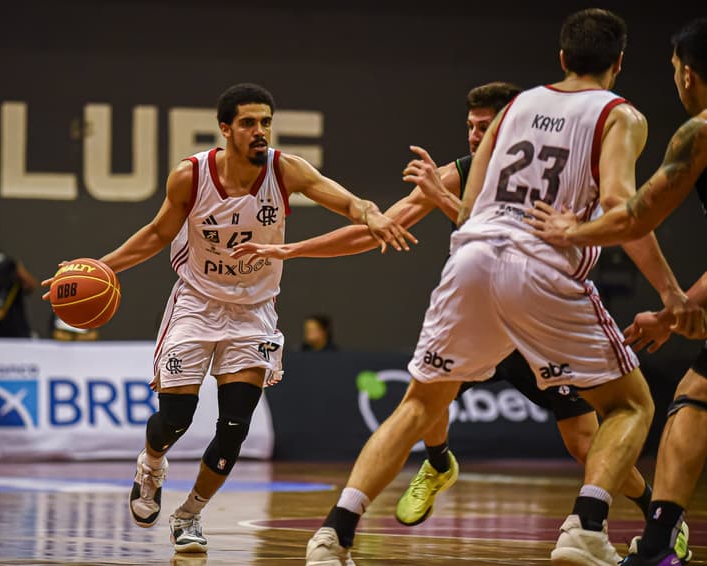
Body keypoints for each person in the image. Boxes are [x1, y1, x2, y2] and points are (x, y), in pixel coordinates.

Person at [295, 8, 702, 564]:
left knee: (418, 405)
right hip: (542, 263)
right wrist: (671, 293)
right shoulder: (619, 114)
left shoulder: (515, 106)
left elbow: (473, 208)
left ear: (561, 58)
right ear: (620, 63)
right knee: (631, 404)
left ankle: (334, 534)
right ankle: (585, 527)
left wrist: (444, 203)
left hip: (473, 257)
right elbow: (619, 206)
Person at [232, 80, 665, 538]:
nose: (476, 136)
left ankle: (653, 508)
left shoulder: (551, 168)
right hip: (483, 311)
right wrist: (291, 250)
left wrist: (446, 201)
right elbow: (381, 228)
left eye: (485, 126)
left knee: (583, 443)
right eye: (470, 127)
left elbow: (533, 238)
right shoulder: (461, 168)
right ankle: (438, 464)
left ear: (514, 122)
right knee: (427, 396)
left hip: (537, 320)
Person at [41, 83, 414, 554]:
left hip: (253, 311)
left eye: (265, 123)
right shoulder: (190, 176)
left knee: (234, 426)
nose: (260, 132)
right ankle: (150, 467)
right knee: (175, 418)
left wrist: (370, 213)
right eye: (248, 123)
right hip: (196, 304)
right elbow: (157, 234)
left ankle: (190, 514)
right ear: (225, 129)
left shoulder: (286, 170)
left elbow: (345, 201)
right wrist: (98, 266)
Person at [528, 17, 707, 566]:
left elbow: (632, 212)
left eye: (675, 70)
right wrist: (676, 306)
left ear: (689, 74)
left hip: (502, 274)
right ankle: (654, 544)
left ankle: (649, 543)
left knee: (675, 400)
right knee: (695, 394)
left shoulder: (698, 132)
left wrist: (572, 232)